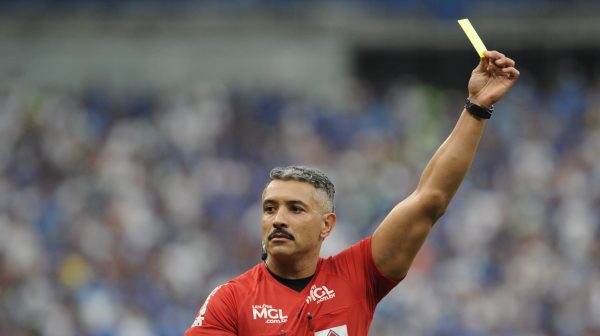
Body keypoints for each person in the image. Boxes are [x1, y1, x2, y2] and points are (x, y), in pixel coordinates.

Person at [184, 50, 520, 336]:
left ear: (327, 226)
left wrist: (476, 107)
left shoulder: (357, 276)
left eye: (296, 209)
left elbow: (429, 200)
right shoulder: (231, 300)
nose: (278, 219)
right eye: (270, 208)